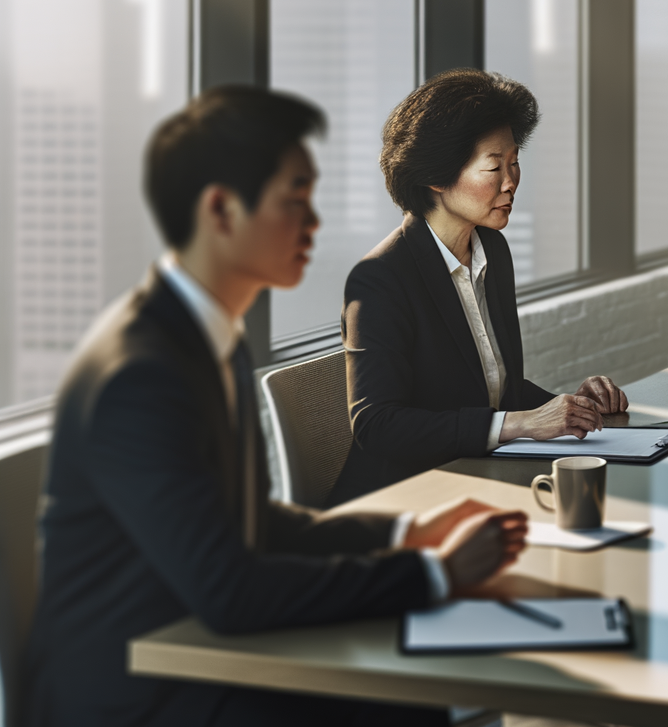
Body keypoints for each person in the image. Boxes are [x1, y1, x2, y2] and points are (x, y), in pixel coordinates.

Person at [24, 87, 528, 727]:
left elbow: (249, 524)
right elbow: (229, 591)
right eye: (294, 201)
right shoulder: (139, 374)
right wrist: (429, 575)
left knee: (409, 684)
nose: (314, 223)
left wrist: (402, 534)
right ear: (221, 211)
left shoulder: (209, 337)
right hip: (137, 689)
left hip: (195, 643)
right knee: (400, 696)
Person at [330, 70, 627, 504]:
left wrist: (570, 408)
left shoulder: (492, 249)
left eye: (514, 162)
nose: (511, 182)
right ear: (436, 176)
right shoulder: (380, 278)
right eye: (493, 166)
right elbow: (378, 426)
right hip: (401, 501)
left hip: (473, 478)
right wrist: (522, 424)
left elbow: (492, 388)